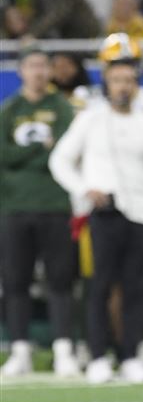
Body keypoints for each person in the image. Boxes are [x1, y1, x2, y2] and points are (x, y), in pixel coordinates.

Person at [49, 59, 143, 384]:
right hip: (104, 212)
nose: (123, 86)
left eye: (128, 80)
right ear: (106, 84)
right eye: (116, 80)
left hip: (140, 213)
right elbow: (60, 159)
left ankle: (131, 355)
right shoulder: (90, 119)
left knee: (136, 287)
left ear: (136, 85)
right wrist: (84, 189)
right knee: (99, 285)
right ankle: (97, 356)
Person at [0, 49, 79, 377]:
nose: (37, 71)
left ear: (50, 71)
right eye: (31, 66)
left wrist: (22, 157)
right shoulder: (9, 109)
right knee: (15, 281)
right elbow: (3, 155)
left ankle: (64, 349)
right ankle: (19, 349)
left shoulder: (61, 108)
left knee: (60, 280)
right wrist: (37, 150)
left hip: (55, 204)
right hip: (14, 206)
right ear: (20, 71)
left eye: (42, 66)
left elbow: (65, 150)